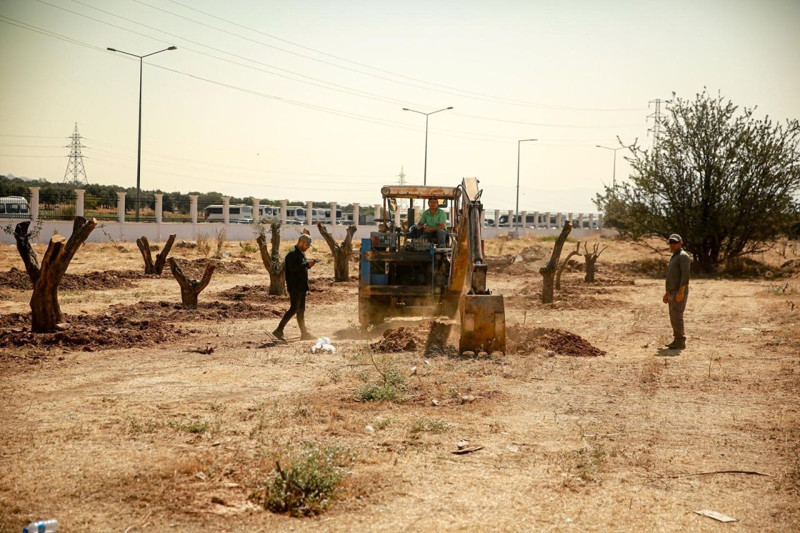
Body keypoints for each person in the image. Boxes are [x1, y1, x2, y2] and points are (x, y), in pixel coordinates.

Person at [272, 234, 317, 341]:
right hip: (295, 287)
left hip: (301, 287)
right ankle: (279, 330)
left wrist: (307, 264)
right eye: (306, 245)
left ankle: (304, 333)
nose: (307, 247)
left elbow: (301, 267)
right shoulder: (292, 255)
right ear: (300, 242)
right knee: (293, 309)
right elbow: (294, 268)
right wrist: (307, 265)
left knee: (301, 311)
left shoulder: (300, 254)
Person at [663, 233, 691, 349]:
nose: (673, 245)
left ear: (681, 243)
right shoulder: (675, 256)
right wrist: (667, 292)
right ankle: (677, 339)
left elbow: (685, 275)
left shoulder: (683, 256)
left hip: (679, 291)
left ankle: (680, 340)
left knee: (677, 315)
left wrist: (681, 292)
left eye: (675, 242)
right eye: (671, 242)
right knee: (674, 316)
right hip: (672, 291)